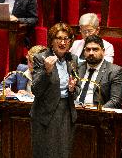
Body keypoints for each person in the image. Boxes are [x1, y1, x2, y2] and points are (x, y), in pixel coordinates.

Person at [31, 22, 79, 158]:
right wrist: (46, 72)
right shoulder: (41, 58)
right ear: (51, 41)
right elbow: (36, 90)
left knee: (63, 153)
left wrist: (73, 89)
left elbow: (77, 88)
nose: (62, 42)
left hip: (66, 112)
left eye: (66, 39)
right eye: (59, 38)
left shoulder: (72, 59)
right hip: (46, 113)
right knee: (46, 153)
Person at [76, 35, 122, 108]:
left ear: (103, 51)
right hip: (73, 110)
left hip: (98, 114)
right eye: (88, 49)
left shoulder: (115, 71)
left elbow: (116, 101)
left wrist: (96, 109)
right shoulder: (77, 67)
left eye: (95, 49)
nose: (91, 53)